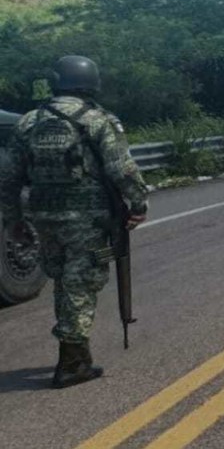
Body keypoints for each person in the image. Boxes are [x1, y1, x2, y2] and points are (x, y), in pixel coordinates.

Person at [0, 56, 148, 388]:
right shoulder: (96, 120)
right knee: (82, 283)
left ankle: (77, 353)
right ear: (90, 83)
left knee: (64, 281)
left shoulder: (27, 123)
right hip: (89, 220)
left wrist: (14, 221)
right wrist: (138, 203)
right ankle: (71, 362)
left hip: (44, 219)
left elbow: (8, 179)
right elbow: (122, 169)